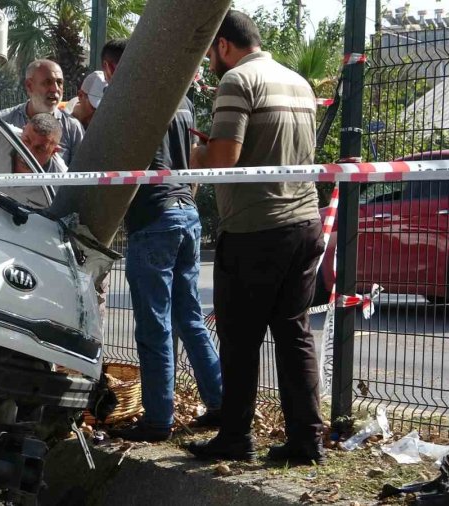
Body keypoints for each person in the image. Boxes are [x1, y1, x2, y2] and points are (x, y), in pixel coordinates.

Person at [186, 11, 325, 465]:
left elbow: (225, 157)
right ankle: (307, 440)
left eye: (211, 52)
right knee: (294, 333)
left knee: (240, 338)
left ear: (224, 45)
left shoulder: (237, 81)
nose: (210, 61)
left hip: (255, 229)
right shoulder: (298, 81)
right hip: (304, 223)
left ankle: (235, 437)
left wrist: (196, 151)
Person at [104, 38, 224, 443]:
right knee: (189, 319)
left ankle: (157, 420)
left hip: (154, 219)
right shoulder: (180, 98)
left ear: (111, 70)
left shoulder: (132, 100)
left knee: (154, 326)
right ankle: (220, 402)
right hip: (186, 214)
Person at [0, 59, 84, 166]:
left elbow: (81, 174)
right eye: (47, 82)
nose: (55, 89)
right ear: (29, 86)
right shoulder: (3, 122)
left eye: (59, 83)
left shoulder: (72, 128)